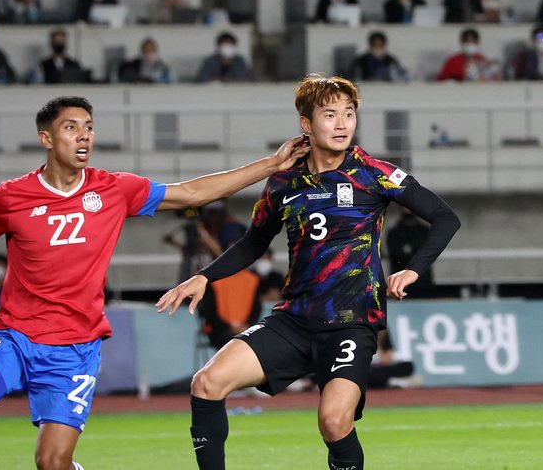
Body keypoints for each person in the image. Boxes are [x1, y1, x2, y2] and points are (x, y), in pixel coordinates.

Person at [0, 96, 308, 470]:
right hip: (14, 334)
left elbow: (193, 192)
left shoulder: (113, 189)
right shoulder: (9, 196)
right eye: (71, 128)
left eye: (88, 127)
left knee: (52, 462)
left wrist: (271, 165)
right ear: (47, 139)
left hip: (74, 346)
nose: (84, 136)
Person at [157, 75, 460, 470]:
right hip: (295, 320)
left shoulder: (374, 172)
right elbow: (253, 243)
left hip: (351, 322)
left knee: (334, 423)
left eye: (348, 114)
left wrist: (413, 271)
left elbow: (444, 217)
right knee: (207, 382)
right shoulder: (283, 182)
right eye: (330, 114)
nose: (341, 124)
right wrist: (205, 276)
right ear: (306, 124)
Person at [384, 209, 436, 299]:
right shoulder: (394, 233)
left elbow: (428, 253)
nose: (406, 209)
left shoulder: (424, 231)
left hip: (423, 286)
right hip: (400, 286)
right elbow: (396, 254)